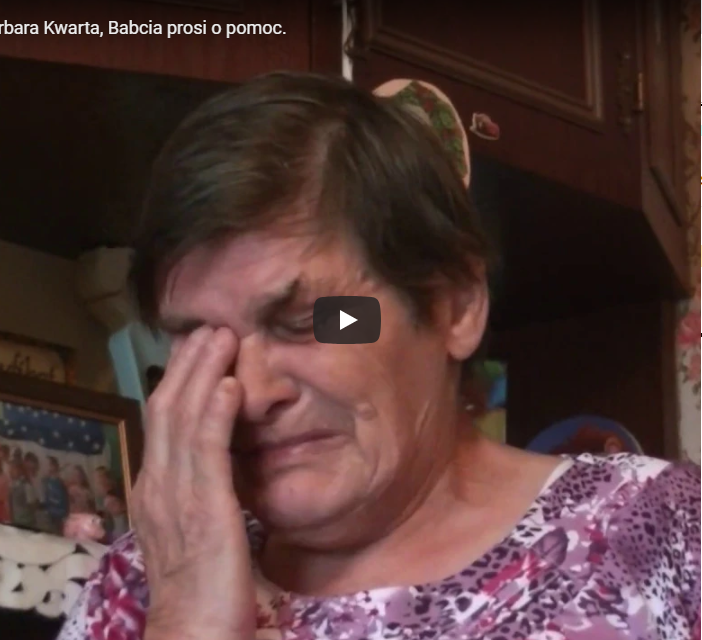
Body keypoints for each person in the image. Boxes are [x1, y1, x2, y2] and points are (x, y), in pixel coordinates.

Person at [58, 73, 701, 640]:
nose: (250, 393)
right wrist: (187, 625)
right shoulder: (143, 581)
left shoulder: (663, 533)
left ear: (453, 306)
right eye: (205, 342)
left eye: (308, 321)